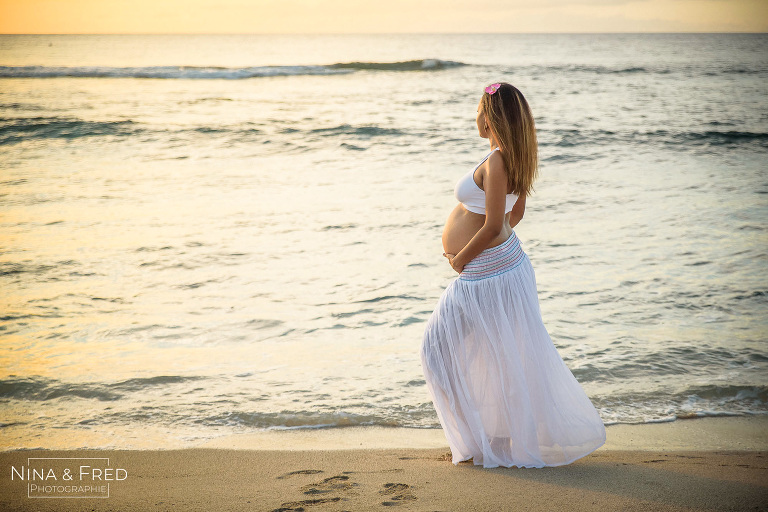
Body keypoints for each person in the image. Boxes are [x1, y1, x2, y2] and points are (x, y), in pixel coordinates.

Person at [420, 82, 606, 469]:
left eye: (477, 109)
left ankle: (478, 443)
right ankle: (484, 441)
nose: (474, 116)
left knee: (436, 350)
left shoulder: (497, 161)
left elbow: (491, 226)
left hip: (486, 271)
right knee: (493, 353)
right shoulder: (508, 158)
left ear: (490, 118)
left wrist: (460, 260)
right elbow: (513, 217)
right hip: (500, 267)